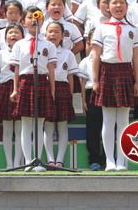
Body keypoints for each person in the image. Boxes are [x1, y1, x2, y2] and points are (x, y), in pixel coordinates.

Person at [90, 0, 138, 171]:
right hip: (107, 72)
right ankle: (109, 161)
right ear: (108, 7)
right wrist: (95, 80)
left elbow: (136, 58)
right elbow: (96, 55)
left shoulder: (133, 30)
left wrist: (137, 81)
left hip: (125, 72)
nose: (118, 6)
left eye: (122, 3)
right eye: (114, 3)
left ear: (127, 6)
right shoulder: (102, 28)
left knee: (123, 121)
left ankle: (121, 160)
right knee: (108, 119)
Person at [10, 6, 57, 170]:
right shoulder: (19, 45)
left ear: (42, 21)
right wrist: (15, 89)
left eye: (37, 17)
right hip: (25, 82)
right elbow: (16, 69)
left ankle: (38, 161)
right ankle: (28, 161)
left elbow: (51, 69)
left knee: (39, 125)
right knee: (26, 124)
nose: (33, 20)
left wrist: (52, 90)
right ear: (23, 22)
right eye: (29, 17)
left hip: (42, 81)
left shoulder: (48, 45)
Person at [44, 21, 77, 168]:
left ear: (63, 35)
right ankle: (50, 160)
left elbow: (70, 76)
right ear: (45, 34)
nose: (53, 34)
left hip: (62, 89)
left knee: (63, 126)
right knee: (48, 126)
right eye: (50, 31)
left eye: (57, 32)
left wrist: (70, 94)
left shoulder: (68, 54)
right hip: (45, 88)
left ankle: (60, 160)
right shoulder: (41, 52)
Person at [0, 22, 25, 169]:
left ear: (23, 36)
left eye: (16, 32)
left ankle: (18, 162)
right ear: (5, 37)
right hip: (5, 89)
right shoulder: (0, 54)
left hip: (22, 89)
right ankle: (9, 163)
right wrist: (3, 88)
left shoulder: (26, 53)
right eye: (10, 33)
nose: (13, 35)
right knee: (7, 129)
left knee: (19, 129)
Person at [76, 34, 105, 171]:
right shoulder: (85, 61)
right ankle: (94, 159)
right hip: (91, 94)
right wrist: (83, 101)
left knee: (108, 126)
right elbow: (82, 83)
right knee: (93, 128)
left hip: (106, 92)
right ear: (88, 41)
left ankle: (107, 158)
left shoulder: (107, 59)